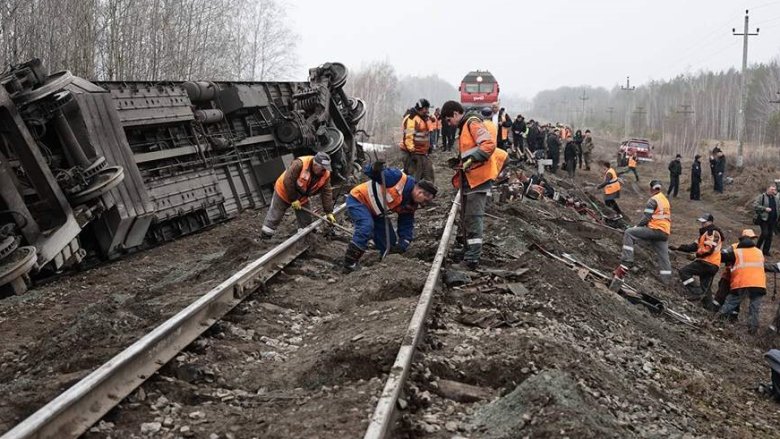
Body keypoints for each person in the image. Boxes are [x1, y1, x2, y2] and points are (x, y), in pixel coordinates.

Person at [441, 100, 503, 269]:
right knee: (467, 218)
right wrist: (462, 161)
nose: (449, 124)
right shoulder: (465, 126)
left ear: (455, 114)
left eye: (448, 120)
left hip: (479, 178)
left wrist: (470, 160)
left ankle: (472, 260)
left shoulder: (472, 123)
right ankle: (468, 251)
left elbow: (488, 144)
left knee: (473, 218)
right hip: (471, 178)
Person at [342, 162, 437, 272]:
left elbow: (406, 224)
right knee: (365, 226)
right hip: (359, 200)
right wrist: (375, 169)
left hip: (377, 212)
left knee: (389, 243)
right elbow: (370, 171)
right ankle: (349, 263)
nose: (423, 205)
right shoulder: (397, 178)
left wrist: (402, 244)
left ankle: (385, 266)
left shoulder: (410, 204)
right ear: (420, 192)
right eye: (425, 201)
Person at [718, 228, 780, 334]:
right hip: (759, 285)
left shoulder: (736, 252)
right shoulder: (759, 252)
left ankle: (717, 321)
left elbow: (721, 257)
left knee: (730, 303)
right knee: (754, 308)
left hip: (742, 283)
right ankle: (752, 331)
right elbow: (761, 266)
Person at [261, 152, 335, 238]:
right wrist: (293, 199)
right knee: (275, 216)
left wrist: (329, 212)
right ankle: (265, 237)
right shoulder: (300, 164)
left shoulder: (325, 174)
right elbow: (288, 181)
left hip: (302, 197)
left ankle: (305, 238)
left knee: (306, 221)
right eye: (322, 168)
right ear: (315, 165)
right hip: (284, 191)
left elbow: (327, 192)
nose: (324, 171)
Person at [614, 180, 672, 285]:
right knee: (664, 257)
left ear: (651, 189)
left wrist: (637, 226)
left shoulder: (653, 200)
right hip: (664, 233)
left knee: (629, 233)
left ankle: (626, 262)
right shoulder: (665, 200)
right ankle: (666, 281)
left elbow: (647, 217)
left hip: (655, 229)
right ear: (660, 188)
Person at [670, 213, 723, 302]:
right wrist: (678, 247)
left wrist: (696, 255)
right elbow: (693, 246)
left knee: (684, 272)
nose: (702, 224)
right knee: (705, 289)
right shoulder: (704, 234)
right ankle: (708, 309)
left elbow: (709, 249)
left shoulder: (712, 232)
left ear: (710, 222)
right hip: (711, 264)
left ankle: (696, 292)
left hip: (708, 263)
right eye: (701, 222)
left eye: (704, 222)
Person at [400, 98, 434, 182]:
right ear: (420, 108)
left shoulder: (423, 118)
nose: (427, 111)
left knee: (428, 173)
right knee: (414, 177)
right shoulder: (411, 119)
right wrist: (412, 152)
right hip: (412, 153)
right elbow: (408, 137)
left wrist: (429, 146)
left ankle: (427, 192)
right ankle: (412, 193)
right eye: (426, 109)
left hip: (422, 152)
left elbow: (426, 133)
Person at [753, 185, 780, 255]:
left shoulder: (776, 199)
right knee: (765, 233)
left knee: (770, 236)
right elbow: (755, 205)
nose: (773, 191)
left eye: (774, 190)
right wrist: (764, 208)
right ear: (767, 189)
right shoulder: (762, 197)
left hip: (773, 220)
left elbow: (778, 207)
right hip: (764, 219)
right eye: (772, 189)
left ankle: (765, 251)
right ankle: (757, 248)